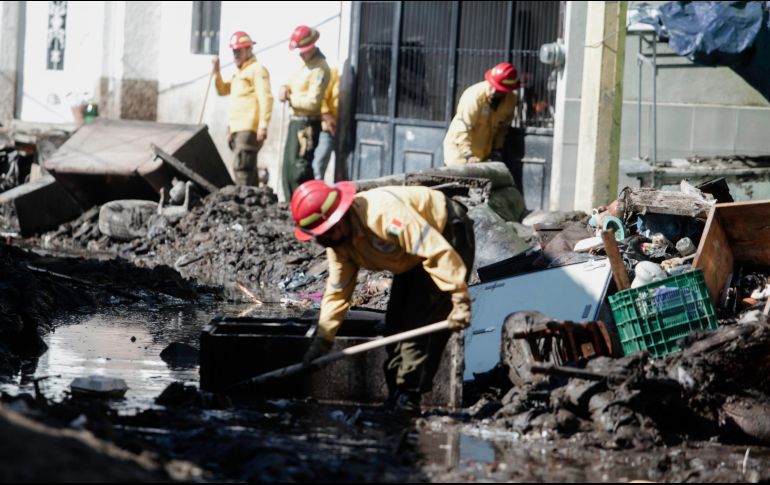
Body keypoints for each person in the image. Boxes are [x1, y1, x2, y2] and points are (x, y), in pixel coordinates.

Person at [290, 180, 475, 413]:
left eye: (330, 231)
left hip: (444, 233)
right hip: (410, 255)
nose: (329, 239)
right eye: (322, 236)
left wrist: (459, 299)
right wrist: (323, 340)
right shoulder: (338, 243)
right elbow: (338, 293)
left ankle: (408, 398)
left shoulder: (384, 216)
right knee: (395, 325)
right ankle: (396, 394)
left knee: (420, 323)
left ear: (342, 214)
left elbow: (436, 252)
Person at [213, 31, 273, 186]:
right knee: (247, 171)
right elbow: (222, 90)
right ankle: (252, 199)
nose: (235, 55)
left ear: (249, 50)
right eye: (234, 52)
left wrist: (263, 126)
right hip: (237, 129)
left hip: (247, 129)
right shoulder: (240, 73)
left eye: (239, 51)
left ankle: (243, 199)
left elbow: (265, 98)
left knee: (242, 169)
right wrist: (216, 72)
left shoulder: (257, 69)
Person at [278, 25, 331, 199]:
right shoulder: (302, 64)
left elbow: (313, 102)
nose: (301, 54)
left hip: (307, 124)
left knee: (299, 169)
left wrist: (291, 98)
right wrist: (284, 88)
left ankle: (305, 203)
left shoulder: (320, 68)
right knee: (288, 168)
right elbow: (291, 82)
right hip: (295, 121)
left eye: (304, 51)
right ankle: (289, 203)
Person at [443, 62, 519, 167]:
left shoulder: (510, 100)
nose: (493, 91)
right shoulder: (474, 96)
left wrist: (497, 150)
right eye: (492, 85)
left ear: (507, 90)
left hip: (482, 156)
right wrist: (468, 155)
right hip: (460, 154)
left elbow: (502, 128)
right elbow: (462, 128)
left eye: (498, 89)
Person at [312, 66, 339, 180]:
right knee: (318, 166)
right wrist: (328, 117)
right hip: (329, 130)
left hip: (348, 131)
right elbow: (320, 98)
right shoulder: (334, 73)